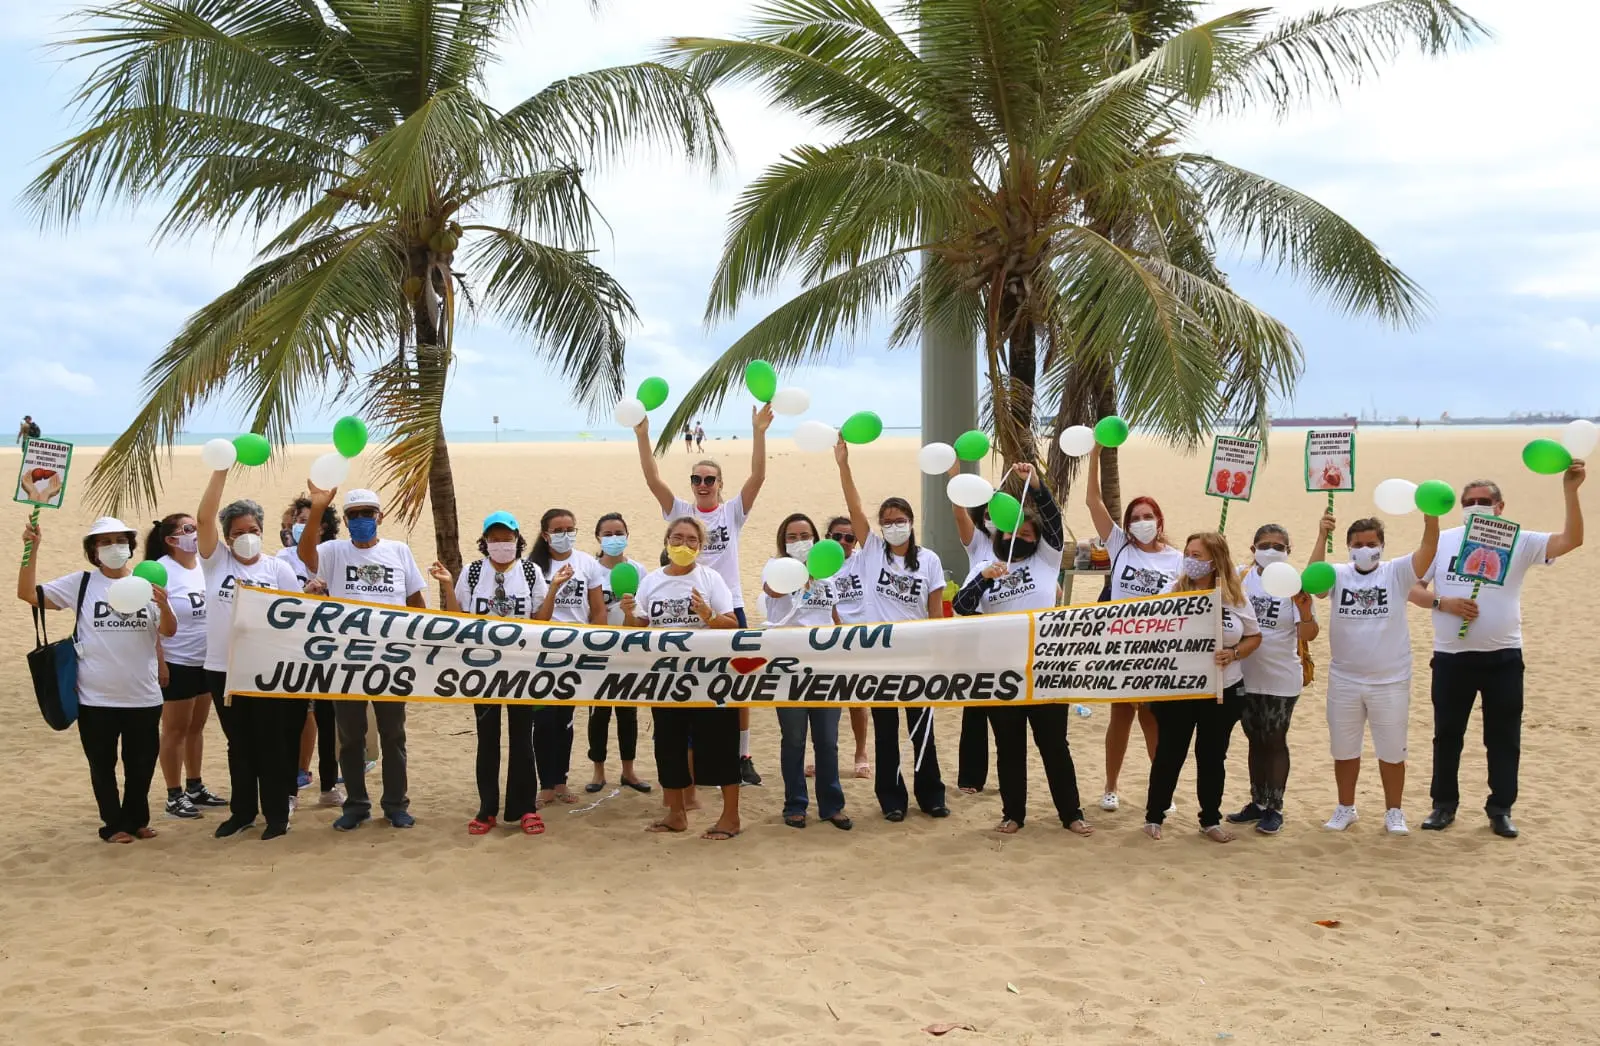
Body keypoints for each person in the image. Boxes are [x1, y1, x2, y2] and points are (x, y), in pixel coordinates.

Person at [1408, 465, 1586, 838]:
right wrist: (1444, 602)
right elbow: (1414, 589)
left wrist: (1570, 492)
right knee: (1447, 735)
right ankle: (1443, 805)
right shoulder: (1443, 541)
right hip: (1452, 657)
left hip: (1503, 657)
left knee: (1503, 737)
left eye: (1484, 502)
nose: (1476, 507)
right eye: (1469, 502)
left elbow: (1571, 540)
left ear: (1500, 506)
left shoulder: (1517, 539)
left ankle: (1500, 808)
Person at [635, 404, 773, 785]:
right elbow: (652, 479)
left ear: (719, 484)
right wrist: (643, 436)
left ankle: (742, 754)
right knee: (692, 682)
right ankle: (693, 760)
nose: (703, 484)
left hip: (729, 608)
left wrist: (758, 430)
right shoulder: (680, 512)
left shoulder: (731, 512)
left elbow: (758, 476)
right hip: (682, 613)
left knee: (739, 683)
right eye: (697, 478)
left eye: (710, 479)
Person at [952, 464, 1090, 836]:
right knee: (1009, 747)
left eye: (1028, 533)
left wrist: (1040, 486)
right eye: (1013, 531)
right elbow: (961, 607)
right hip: (1002, 673)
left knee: (1054, 746)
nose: (1020, 537)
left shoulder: (1045, 559)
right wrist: (982, 581)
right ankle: (1013, 813)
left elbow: (1053, 519)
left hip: (1046, 669)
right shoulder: (985, 564)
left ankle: (1071, 814)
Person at [18, 516, 176, 842]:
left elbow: (167, 631)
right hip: (95, 697)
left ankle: (136, 820)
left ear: (131, 547)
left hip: (143, 696)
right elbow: (28, 594)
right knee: (102, 766)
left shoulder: (146, 583)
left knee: (141, 766)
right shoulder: (83, 584)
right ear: (93, 550)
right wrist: (30, 549)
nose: (114, 547)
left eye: (120, 541)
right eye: (105, 542)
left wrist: (165, 606)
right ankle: (113, 825)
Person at [298, 484, 428, 830]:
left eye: (367, 514)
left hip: (391, 661)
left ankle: (396, 804)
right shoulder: (334, 552)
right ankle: (355, 805)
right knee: (351, 738)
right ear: (345, 519)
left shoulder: (399, 552)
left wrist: (419, 646)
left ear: (379, 517)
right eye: (353, 515)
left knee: (393, 736)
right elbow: (306, 555)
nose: (360, 520)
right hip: (348, 661)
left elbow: (416, 602)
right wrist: (317, 509)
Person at [834, 438, 950, 821]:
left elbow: (936, 611)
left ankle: (931, 795)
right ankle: (892, 799)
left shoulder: (929, 560)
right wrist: (843, 464)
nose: (894, 526)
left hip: (918, 654)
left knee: (922, 730)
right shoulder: (871, 552)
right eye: (887, 522)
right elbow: (854, 508)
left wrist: (938, 653)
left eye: (900, 520)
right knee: (886, 732)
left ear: (912, 523)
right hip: (880, 655)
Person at [1307, 509, 1440, 835]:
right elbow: (1314, 583)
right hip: (1345, 678)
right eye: (1358, 544)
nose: (1365, 549)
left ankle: (1394, 811)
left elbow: (1427, 552)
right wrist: (1322, 534)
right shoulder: (1337, 573)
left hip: (1390, 679)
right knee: (1344, 748)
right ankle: (1345, 807)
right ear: (1349, 547)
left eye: (1371, 543)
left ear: (1381, 545)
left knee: (1392, 749)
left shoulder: (1396, 572)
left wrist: (1431, 519)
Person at [197, 468, 304, 839]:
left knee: (270, 744)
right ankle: (242, 811)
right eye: (239, 533)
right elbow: (203, 518)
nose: (247, 538)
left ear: (263, 532)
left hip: (266, 671)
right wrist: (221, 470)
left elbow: (296, 618)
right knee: (239, 743)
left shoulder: (278, 568)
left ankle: (276, 815)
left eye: (253, 531)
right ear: (227, 537)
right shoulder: (216, 562)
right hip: (222, 669)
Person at [621, 517, 742, 839]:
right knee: (669, 746)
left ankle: (730, 817)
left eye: (691, 540)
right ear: (666, 542)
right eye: (677, 538)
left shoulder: (711, 579)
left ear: (700, 547)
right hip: (666, 679)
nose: (684, 545)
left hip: (708, 677)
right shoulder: (651, 581)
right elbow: (639, 630)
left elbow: (732, 625)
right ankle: (676, 814)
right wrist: (630, 614)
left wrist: (708, 616)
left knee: (720, 745)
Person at [433, 511, 550, 836]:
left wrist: (554, 588)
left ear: (517, 540)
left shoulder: (529, 572)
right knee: (488, 739)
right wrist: (447, 586)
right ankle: (487, 810)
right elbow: (458, 620)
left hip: (522, 668)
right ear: (485, 542)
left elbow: (541, 620)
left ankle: (524, 808)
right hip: (483, 670)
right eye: (494, 538)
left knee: (522, 738)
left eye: (507, 538)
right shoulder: (472, 573)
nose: (501, 543)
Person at [1141, 532, 1260, 842]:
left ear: (1214, 560)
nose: (1191, 561)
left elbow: (1253, 636)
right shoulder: (1173, 590)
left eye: (1198, 556)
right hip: (1180, 690)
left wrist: (1233, 653)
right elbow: (1153, 630)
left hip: (1223, 690)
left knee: (1212, 756)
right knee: (1169, 753)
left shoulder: (1235, 596)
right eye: (1188, 554)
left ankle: (1210, 819)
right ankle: (1154, 816)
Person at [1085, 443, 1183, 812]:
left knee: (1153, 719)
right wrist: (1095, 454)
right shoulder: (1119, 547)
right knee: (1121, 716)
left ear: (1159, 520)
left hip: (1159, 650)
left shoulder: (1177, 559)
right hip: (1121, 647)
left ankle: (1162, 791)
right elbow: (1093, 501)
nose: (1143, 522)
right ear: (1127, 524)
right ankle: (1111, 786)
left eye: (1149, 515)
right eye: (1136, 517)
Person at [1226, 524, 1319, 835]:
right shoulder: (1240, 576)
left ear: (1288, 550)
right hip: (1245, 672)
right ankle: (1257, 801)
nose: (1271, 550)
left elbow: (1309, 634)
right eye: (1264, 544)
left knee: (1275, 739)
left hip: (1281, 676)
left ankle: (1275, 806)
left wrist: (1305, 612)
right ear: (1253, 549)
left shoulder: (1293, 583)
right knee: (1254, 738)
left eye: (1278, 546)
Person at [761, 512, 850, 830]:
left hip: (826, 671)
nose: (800, 542)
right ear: (783, 543)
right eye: (792, 537)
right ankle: (795, 804)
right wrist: (794, 576)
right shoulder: (776, 569)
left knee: (827, 740)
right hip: (789, 671)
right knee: (794, 739)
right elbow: (773, 590)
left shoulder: (828, 577)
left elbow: (834, 618)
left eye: (805, 536)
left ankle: (832, 805)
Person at [145, 513, 225, 820]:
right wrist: (161, 662)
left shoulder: (204, 567)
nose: (195, 533)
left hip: (206, 661)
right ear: (170, 539)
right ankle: (173, 795)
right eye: (188, 529)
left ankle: (195, 786)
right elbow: (152, 623)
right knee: (174, 730)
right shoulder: (160, 571)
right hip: (176, 663)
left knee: (196, 728)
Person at [528, 508, 607, 808]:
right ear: (546, 535)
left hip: (577, 649)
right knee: (543, 719)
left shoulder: (588, 563)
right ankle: (544, 784)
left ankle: (560, 780)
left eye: (570, 528)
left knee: (565, 719)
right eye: (558, 530)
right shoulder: (533, 566)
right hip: (543, 650)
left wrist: (598, 643)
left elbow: (597, 609)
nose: (565, 534)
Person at [278, 495, 343, 805]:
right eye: (298, 521)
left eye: (308, 520)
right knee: (293, 719)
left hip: (330, 647)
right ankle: (290, 788)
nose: (301, 526)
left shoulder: (335, 555)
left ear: (323, 526)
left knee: (329, 719)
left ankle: (330, 786)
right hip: (294, 648)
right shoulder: (282, 558)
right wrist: (304, 593)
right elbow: (277, 603)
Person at [589, 512, 651, 794]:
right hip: (598, 651)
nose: (614, 539)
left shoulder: (638, 570)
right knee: (598, 714)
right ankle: (598, 772)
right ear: (598, 538)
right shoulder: (590, 569)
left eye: (619, 533)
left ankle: (629, 771)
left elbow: (645, 613)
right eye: (608, 534)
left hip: (629, 650)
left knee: (628, 714)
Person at [947, 462, 999, 795]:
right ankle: (971, 777)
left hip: (1008, 625)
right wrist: (955, 476)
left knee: (1006, 704)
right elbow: (959, 515)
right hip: (976, 623)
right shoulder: (978, 541)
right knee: (976, 702)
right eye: (989, 510)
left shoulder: (1025, 541)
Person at [824, 515, 872, 779]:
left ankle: (861, 752)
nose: (843, 541)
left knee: (856, 700)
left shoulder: (862, 561)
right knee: (825, 700)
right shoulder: (817, 564)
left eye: (849, 537)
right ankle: (825, 755)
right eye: (836, 536)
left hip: (857, 636)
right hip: (827, 637)